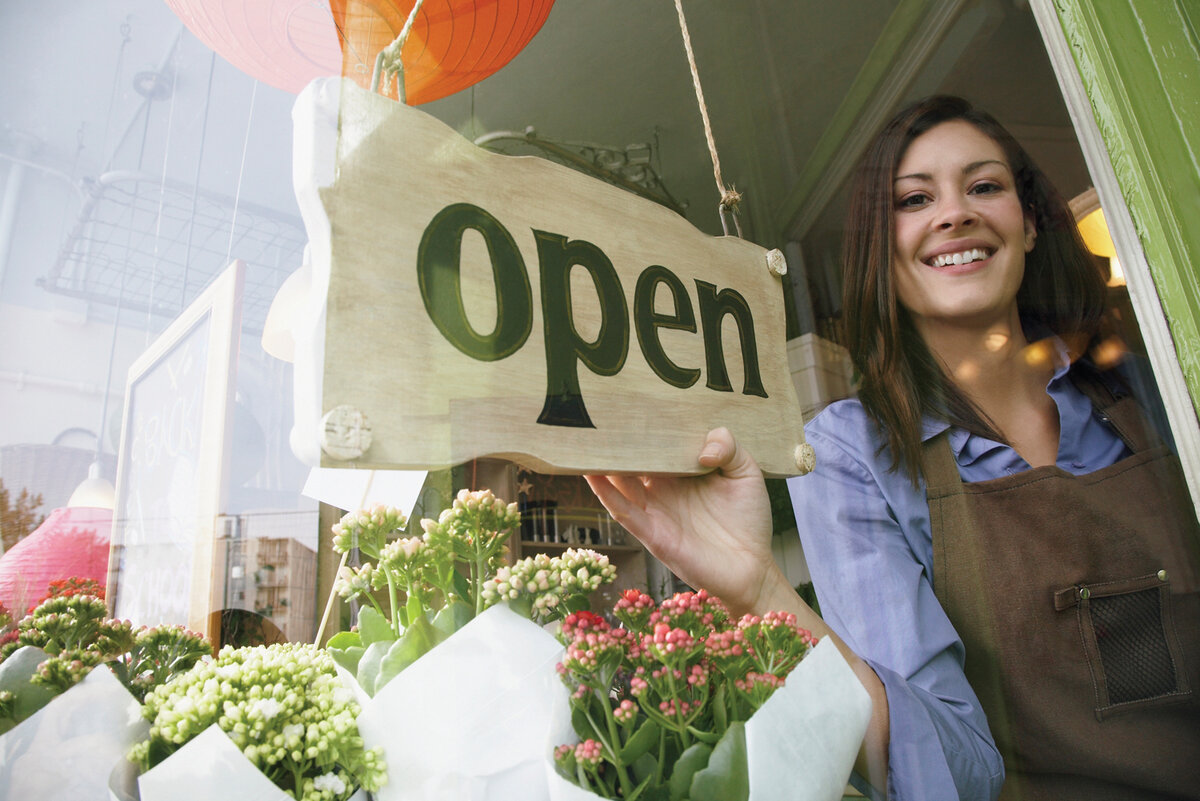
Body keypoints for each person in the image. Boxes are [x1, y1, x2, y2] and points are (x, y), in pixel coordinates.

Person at [587, 95, 1200, 801]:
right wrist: (760, 591)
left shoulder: (1148, 385)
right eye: (915, 198)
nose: (955, 212)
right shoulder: (853, 452)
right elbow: (947, 771)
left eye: (985, 186)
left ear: (1030, 224)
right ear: (883, 247)